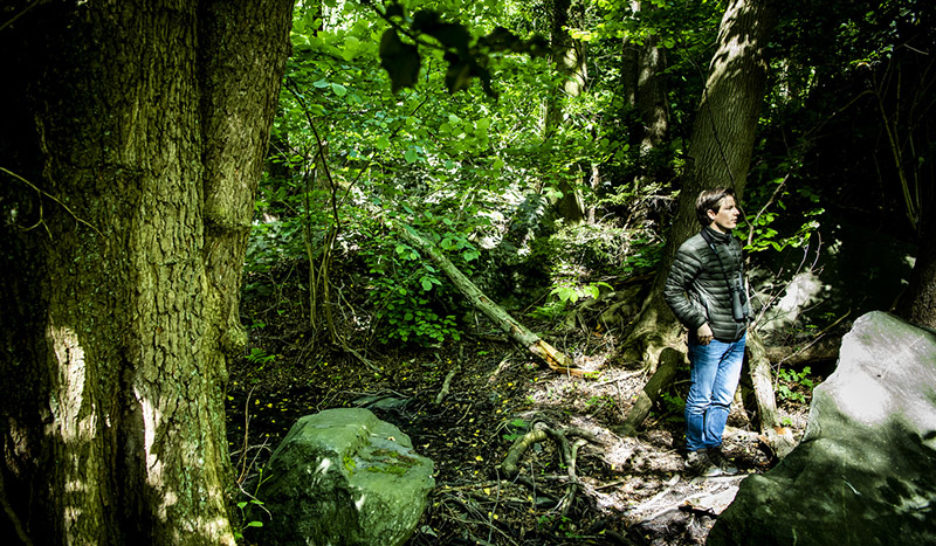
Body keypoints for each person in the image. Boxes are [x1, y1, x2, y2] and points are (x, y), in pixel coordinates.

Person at [663, 187, 751, 477]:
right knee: (701, 397)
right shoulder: (693, 248)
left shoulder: (733, 244)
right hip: (710, 338)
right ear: (711, 214)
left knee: (723, 397)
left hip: (737, 335)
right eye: (729, 208)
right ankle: (695, 453)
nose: (736, 212)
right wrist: (698, 322)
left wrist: (745, 321)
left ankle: (714, 449)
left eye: (735, 207)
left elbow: (738, 287)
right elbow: (673, 291)